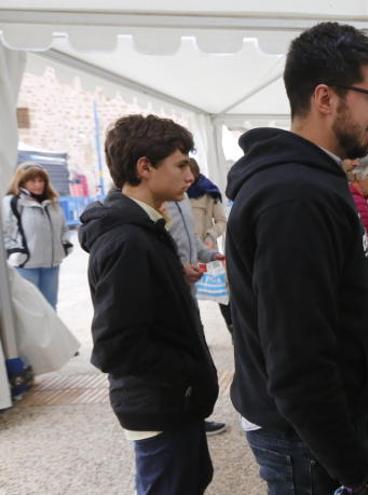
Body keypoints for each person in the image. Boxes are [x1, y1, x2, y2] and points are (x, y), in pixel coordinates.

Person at [225, 22, 368, 495]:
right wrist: (362, 479)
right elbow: (297, 365)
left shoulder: (310, 184)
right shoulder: (295, 198)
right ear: (326, 99)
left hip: (305, 434)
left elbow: (311, 310)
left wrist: (366, 350)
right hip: (302, 443)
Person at [79, 114, 219, 494]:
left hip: (169, 401)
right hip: (159, 403)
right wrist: (186, 371)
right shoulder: (127, 239)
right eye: (180, 165)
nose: (188, 175)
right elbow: (116, 346)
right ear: (145, 167)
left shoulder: (144, 228)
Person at [164, 170, 229, 438]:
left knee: (193, 349)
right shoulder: (153, 206)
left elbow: (189, 239)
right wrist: (178, 268)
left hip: (186, 286)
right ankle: (180, 416)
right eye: (179, 167)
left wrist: (209, 253)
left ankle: (193, 414)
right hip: (172, 287)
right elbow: (163, 247)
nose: (188, 176)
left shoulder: (180, 199)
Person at [2, 162, 72, 309]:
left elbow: (63, 228)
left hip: (51, 265)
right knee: (31, 309)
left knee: (50, 307)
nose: (38, 185)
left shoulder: (53, 202)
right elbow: (6, 232)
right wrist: (18, 253)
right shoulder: (12, 202)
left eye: (41, 181)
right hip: (26, 266)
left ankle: (51, 333)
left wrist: (65, 246)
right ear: (22, 182)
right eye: (33, 181)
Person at [184, 158, 234, 334]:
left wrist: (211, 235)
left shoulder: (209, 192)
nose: (185, 178)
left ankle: (233, 327)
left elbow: (221, 221)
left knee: (223, 294)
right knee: (189, 298)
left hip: (208, 250)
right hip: (185, 254)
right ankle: (198, 335)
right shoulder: (175, 196)